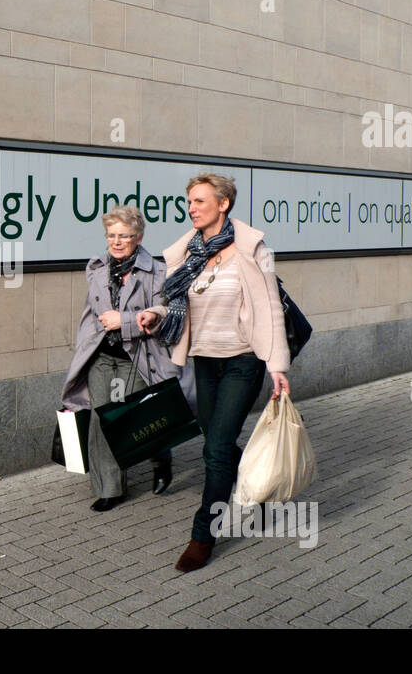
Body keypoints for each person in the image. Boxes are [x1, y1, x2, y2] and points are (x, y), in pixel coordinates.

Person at [137, 173, 290, 573]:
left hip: (243, 361)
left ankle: (203, 534)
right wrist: (155, 314)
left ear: (223, 204)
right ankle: (261, 492)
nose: (192, 208)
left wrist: (277, 365)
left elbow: (272, 308)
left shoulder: (252, 249)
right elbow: (176, 304)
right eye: (189, 201)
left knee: (216, 449)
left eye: (200, 201)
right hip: (204, 362)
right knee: (218, 446)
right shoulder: (190, 253)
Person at [60, 206, 179, 511]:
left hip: (138, 356)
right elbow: (91, 313)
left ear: (138, 238)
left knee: (143, 417)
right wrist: (85, 342)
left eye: (123, 236)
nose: (116, 241)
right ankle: (110, 489)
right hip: (102, 356)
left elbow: (162, 318)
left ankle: (160, 458)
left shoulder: (157, 272)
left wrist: (124, 321)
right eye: (111, 235)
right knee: (103, 419)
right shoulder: (97, 268)